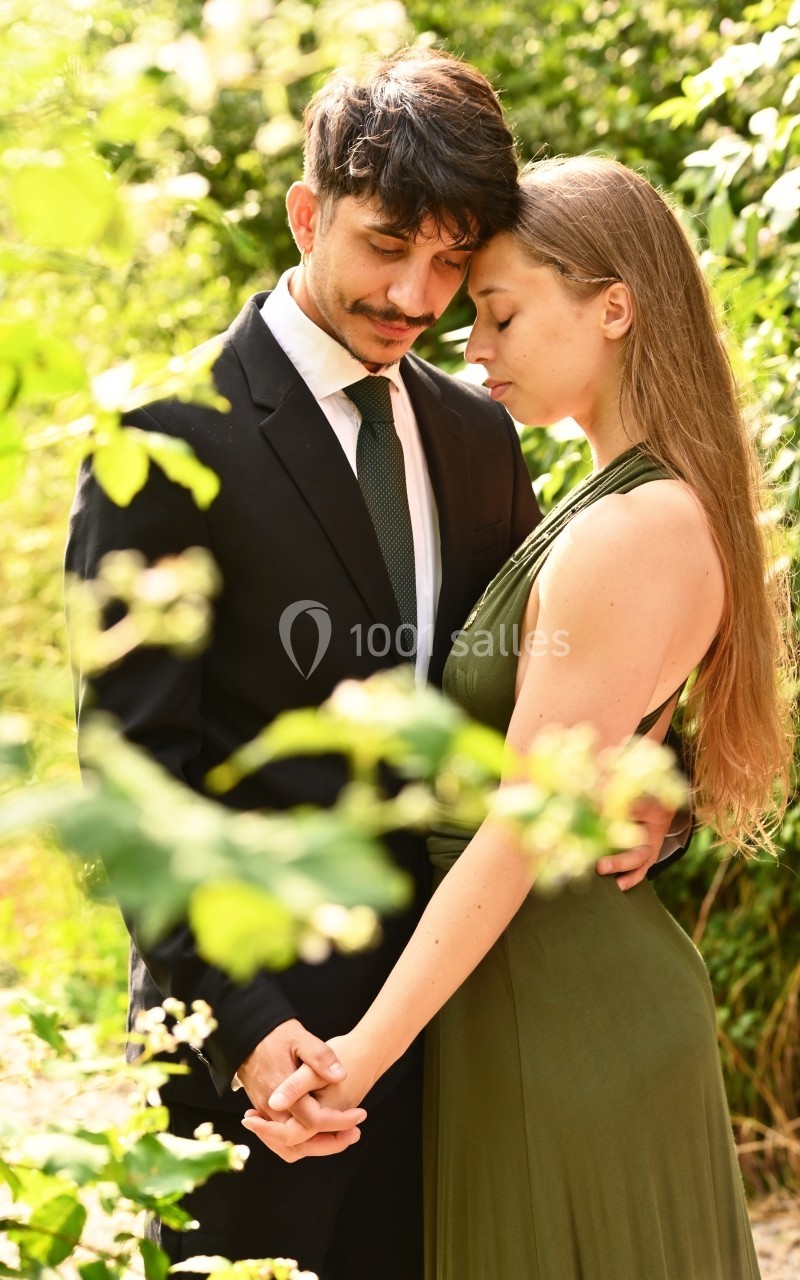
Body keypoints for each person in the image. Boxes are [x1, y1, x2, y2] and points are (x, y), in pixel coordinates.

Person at [65, 59, 679, 1278]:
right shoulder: (163, 431)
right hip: (256, 1072)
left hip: (459, 1046)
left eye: (452, 263)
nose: (414, 294)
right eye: (385, 244)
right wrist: (243, 1031)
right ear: (308, 214)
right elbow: (129, 781)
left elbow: (551, 681)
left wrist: (659, 790)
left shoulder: (475, 433)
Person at [248, 157, 796, 1279]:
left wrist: (355, 1059)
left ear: (612, 305)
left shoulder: (627, 527)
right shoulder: (604, 503)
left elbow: (518, 824)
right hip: (526, 1003)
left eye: (497, 311)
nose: (470, 340)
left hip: (568, 1020)